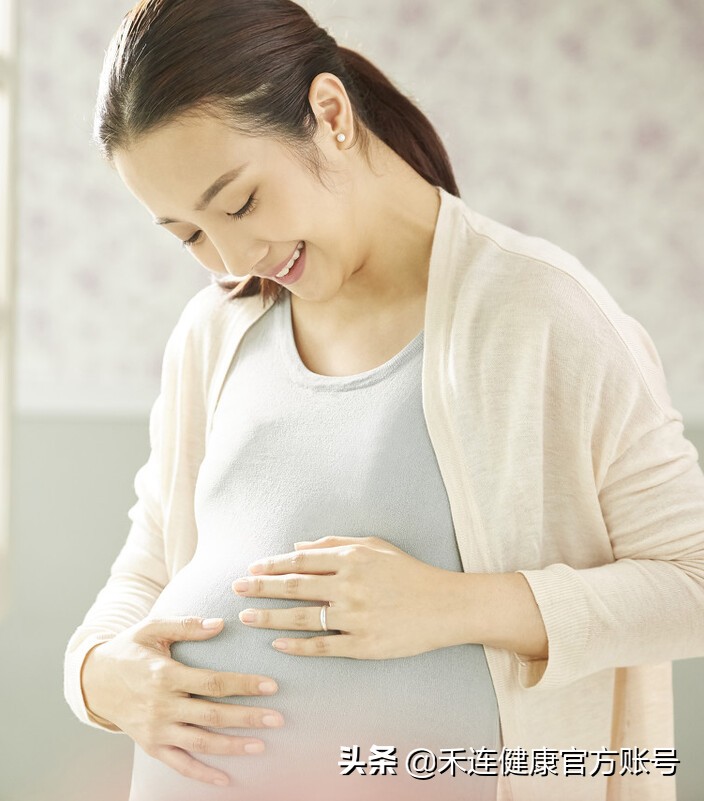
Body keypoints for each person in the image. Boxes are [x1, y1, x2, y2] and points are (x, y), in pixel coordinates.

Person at [61, 1, 704, 800]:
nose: (229, 257)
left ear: (330, 114)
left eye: (240, 204)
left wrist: (456, 606)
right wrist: (93, 674)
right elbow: (151, 563)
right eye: (187, 235)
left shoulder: (539, 315)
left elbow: (693, 581)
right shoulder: (216, 331)